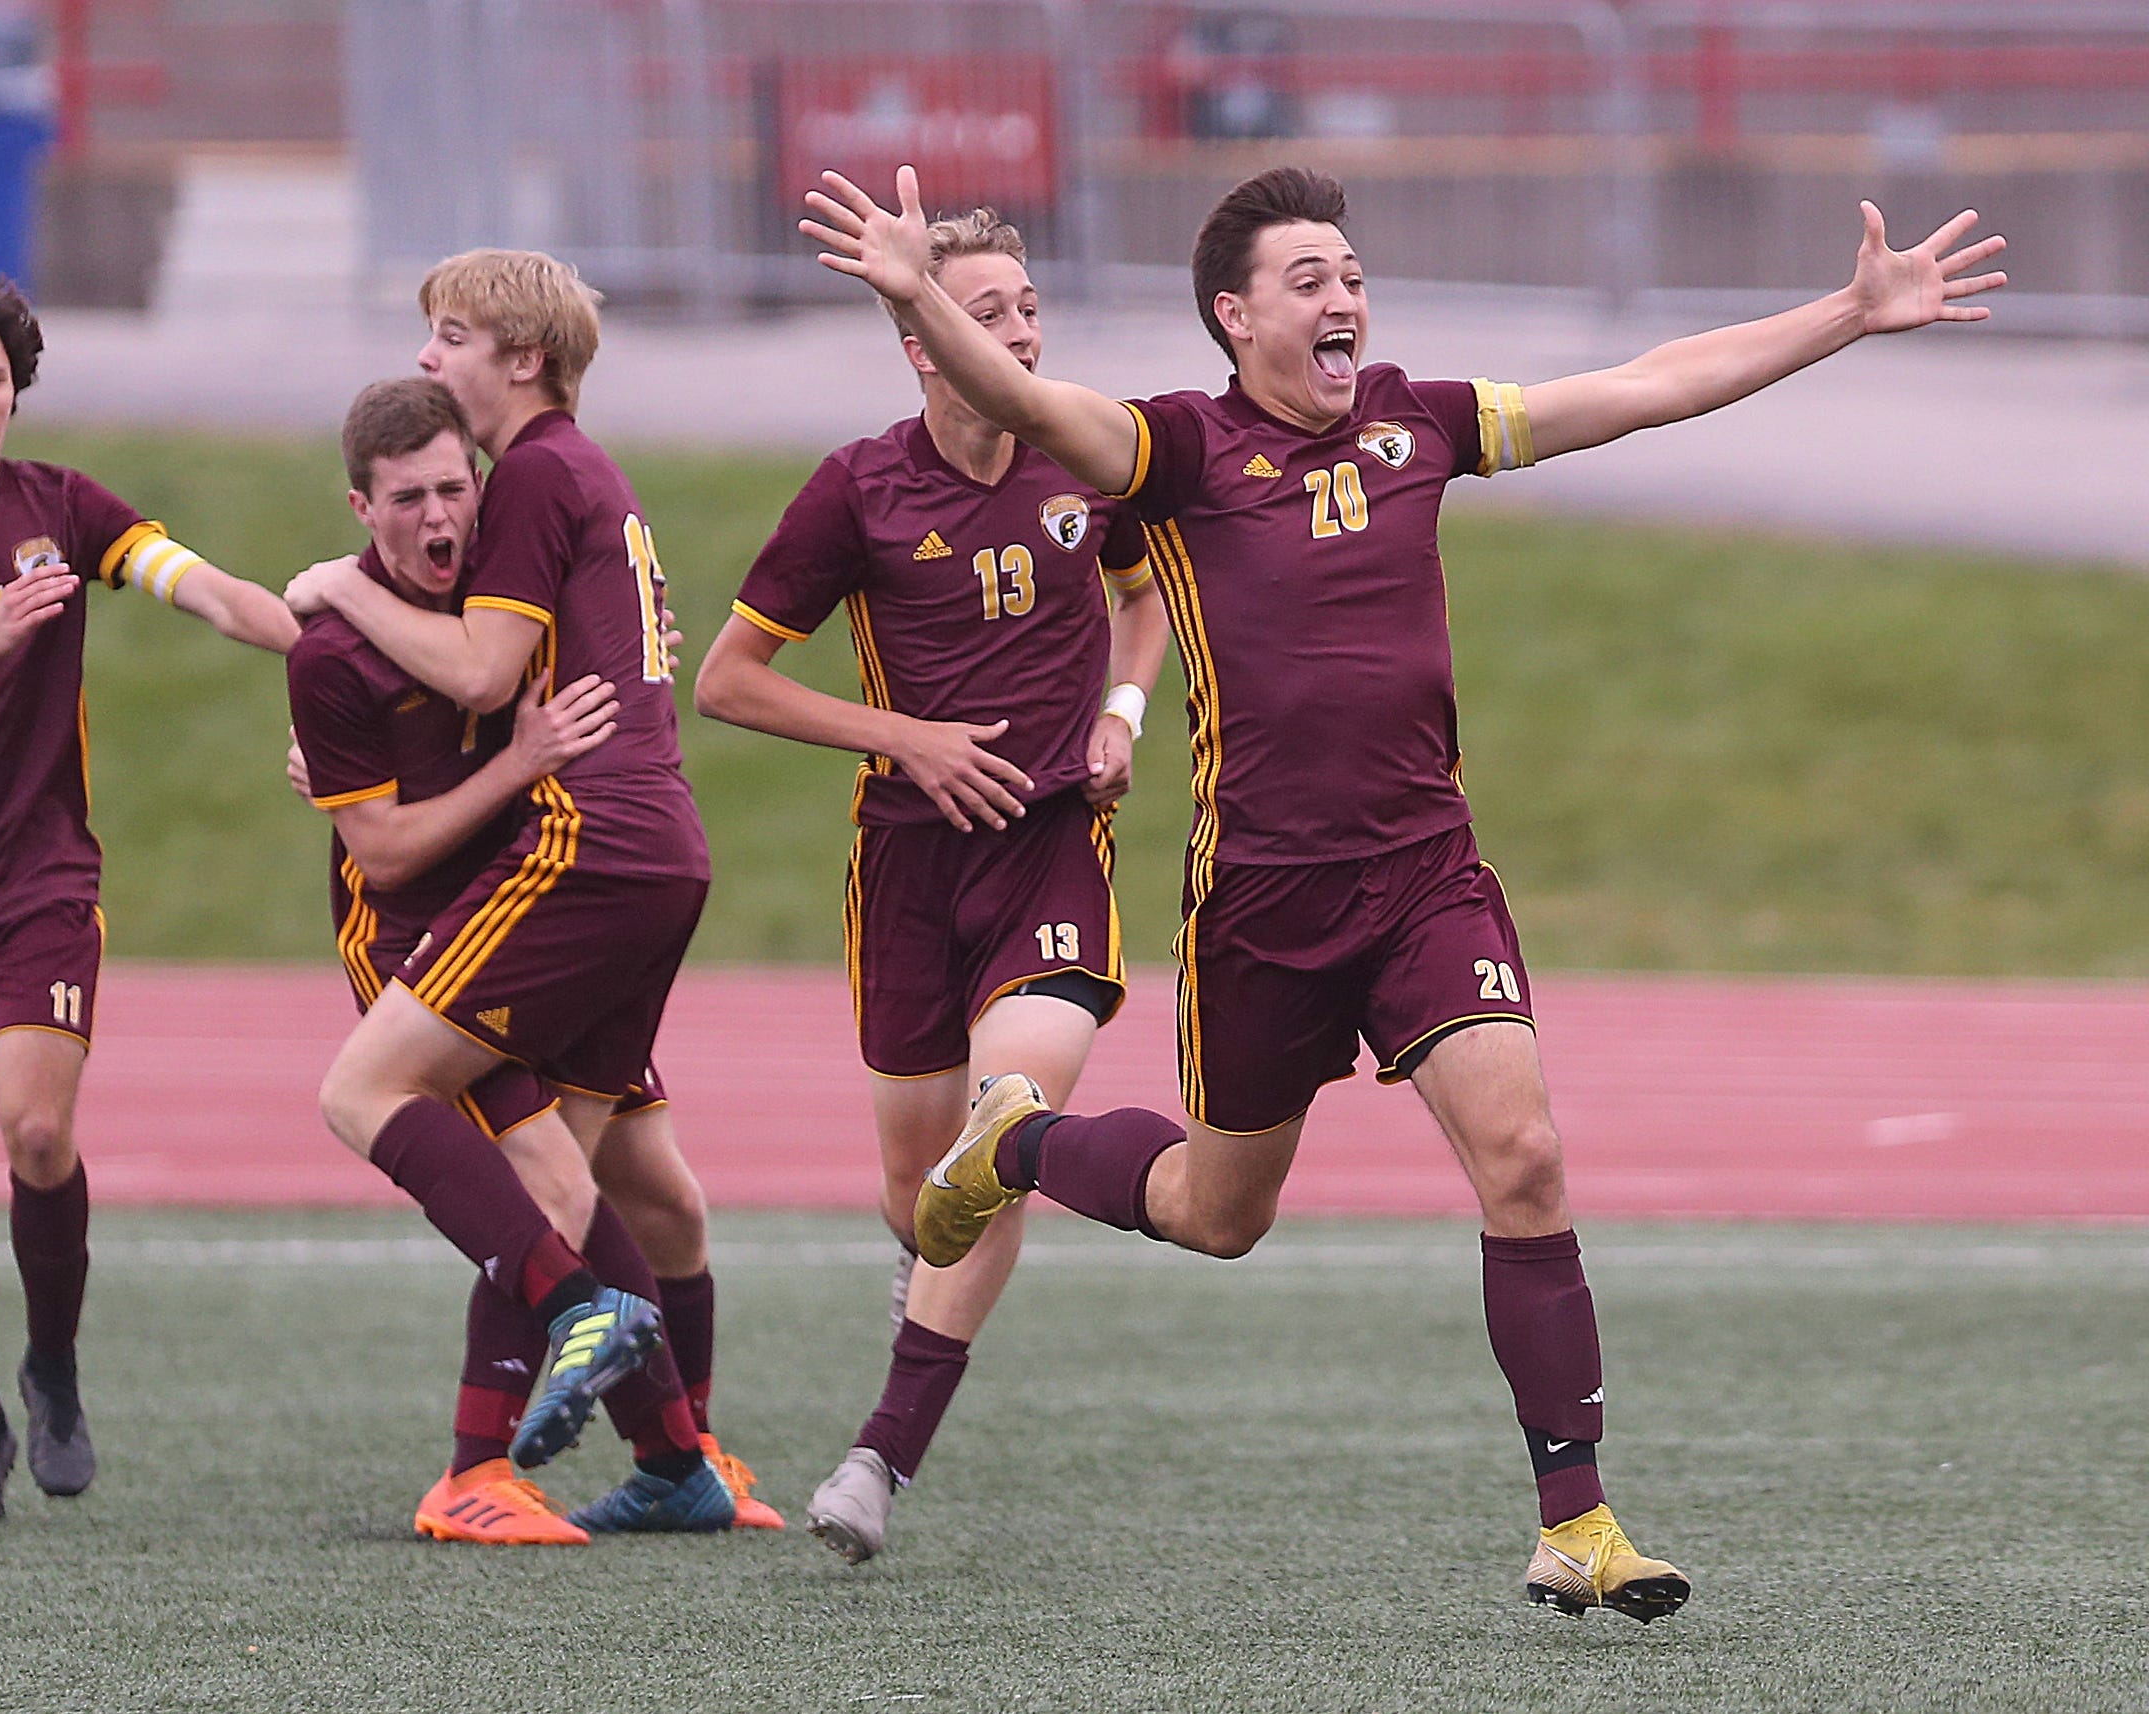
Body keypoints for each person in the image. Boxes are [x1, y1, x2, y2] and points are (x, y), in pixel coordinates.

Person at [802, 164, 2006, 1620]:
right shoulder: (1175, 453)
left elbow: (1648, 385)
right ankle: (1021, 1143)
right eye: (1310, 278)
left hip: (1427, 875)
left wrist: (1850, 313)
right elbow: (1043, 409)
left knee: (1527, 1157)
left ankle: (1579, 1518)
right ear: (1234, 317)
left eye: (1352, 271)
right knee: (1214, 1211)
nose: (1346, 296)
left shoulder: (1421, 422)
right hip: (1258, 900)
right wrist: (918, 290)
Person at [695, 209, 1166, 1562]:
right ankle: (926, 1281)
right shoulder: (858, 489)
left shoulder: (1091, 450)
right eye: (988, 312)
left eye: (1028, 307)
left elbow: (1142, 604)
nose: (1020, 332)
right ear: (921, 343)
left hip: (1052, 851)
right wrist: (903, 736)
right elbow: (727, 680)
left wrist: (1123, 715)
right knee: (921, 1192)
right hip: (907, 868)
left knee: (1001, 1133)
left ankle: (879, 1457)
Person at [0, 255, 299, 1521]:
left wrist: (325, 636)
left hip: (41, 881)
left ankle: (55, 1370)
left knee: (35, 1132)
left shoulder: (64, 505)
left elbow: (197, 585)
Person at [283, 250, 737, 1533]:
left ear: (521, 358)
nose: (432, 357)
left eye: (453, 335)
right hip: (664, 851)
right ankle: (673, 1462)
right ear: (369, 503)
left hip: (584, 845)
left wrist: (329, 588)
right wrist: (332, 612)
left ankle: (553, 1361)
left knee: (363, 1089)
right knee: (585, 1180)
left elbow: (485, 678)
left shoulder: (534, 470)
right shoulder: (584, 477)